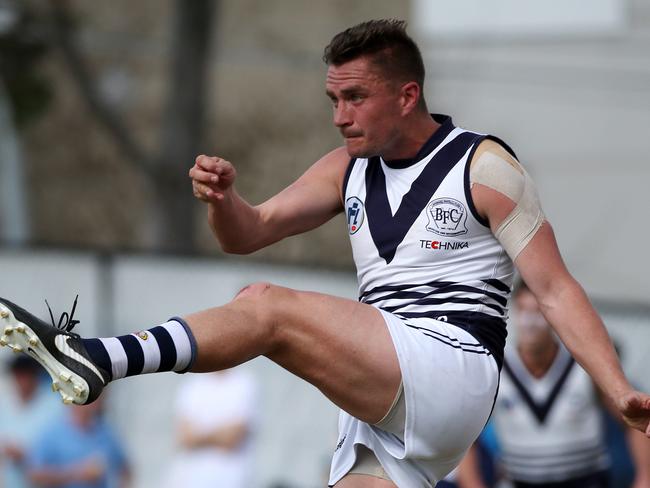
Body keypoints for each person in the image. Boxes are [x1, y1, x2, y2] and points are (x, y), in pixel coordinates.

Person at [0, 18, 649, 488]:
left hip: (450, 366)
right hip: (385, 395)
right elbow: (248, 235)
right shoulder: (346, 168)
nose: (339, 115)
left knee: (265, 308)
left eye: (355, 97)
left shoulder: (482, 166)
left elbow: (557, 289)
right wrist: (225, 201)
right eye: (333, 99)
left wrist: (617, 388)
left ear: (407, 95)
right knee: (261, 302)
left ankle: (95, 358)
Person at [456, 282, 650, 488]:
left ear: (553, 315)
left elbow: (634, 420)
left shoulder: (585, 363)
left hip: (586, 481)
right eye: (523, 310)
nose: (529, 322)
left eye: (538, 311)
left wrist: (645, 477)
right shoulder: (495, 366)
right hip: (518, 481)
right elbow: (464, 436)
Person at [165, 369, 258, 488]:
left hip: (229, 479)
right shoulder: (192, 384)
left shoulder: (245, 383)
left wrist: (199, 435)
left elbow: (231, 438)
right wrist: (218, 434)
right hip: (188, 479)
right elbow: (185, 438)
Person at [27, 397, 130, 488]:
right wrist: (76, 473)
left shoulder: (105, 431)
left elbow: (125, 470)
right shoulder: (52, 432)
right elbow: (35, 475)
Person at [0, 356, 62, 488]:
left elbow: (63, 445)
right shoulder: (5, 402)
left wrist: (27, 455)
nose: (22, 380)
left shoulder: (54, 404)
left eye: (26, 375)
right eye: (18, 375)